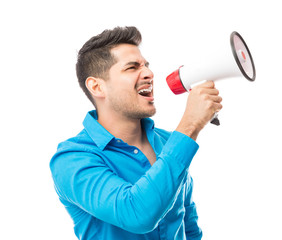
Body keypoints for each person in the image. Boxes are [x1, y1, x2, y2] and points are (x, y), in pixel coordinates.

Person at [50, 26, 222, 240]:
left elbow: (189, 225)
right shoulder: (72, 159)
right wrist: (190, 125)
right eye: (132, 67)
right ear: (97, 87)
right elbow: (136, 214)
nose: (149, 73)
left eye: (146, 66)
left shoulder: (169, 142)